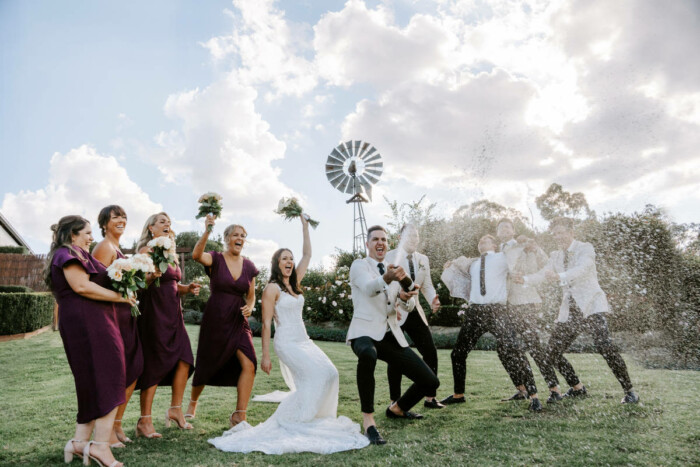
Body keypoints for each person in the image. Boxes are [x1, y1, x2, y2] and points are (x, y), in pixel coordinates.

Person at [209, 214, 370, 454]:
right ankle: (294, 419)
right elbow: (265, 325)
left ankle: (312, 416)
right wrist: (266, 356)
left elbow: (307, 255)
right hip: (287, 343)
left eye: (291, 259)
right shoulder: (272, 288)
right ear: (277, 263)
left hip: (304, 340)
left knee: (330, 373)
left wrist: (305, 227)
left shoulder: (294, 284)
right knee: (315, 377)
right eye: (285, 258)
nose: (290, 261)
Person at [514, 217, 639, 404]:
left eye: (561, 232)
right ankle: (577, 387)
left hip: (591, 306)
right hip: (570, 310)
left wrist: (559, 276)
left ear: (572, 232)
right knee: (551, 353)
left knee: (605, 346)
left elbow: (582, 269)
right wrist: (525, 279)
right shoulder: (555, 255)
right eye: (555, 233)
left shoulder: (585, 248)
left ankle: (630, 391)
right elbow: (544, 274)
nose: (558, 237)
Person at [46, 215, 135, 467]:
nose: (91, 237)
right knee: (110, 376)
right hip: (88, 324)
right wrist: (120, 297)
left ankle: (79, 442)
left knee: (92, 379)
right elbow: (82, 287)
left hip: (91, 321)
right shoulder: (67, 254)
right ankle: (100, 446)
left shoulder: (81, 255)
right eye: (86, 233)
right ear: (72, 235)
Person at [348, 225, 440, 445]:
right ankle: (369, 422)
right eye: (375, 239)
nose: (380, 243)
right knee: (368, 355)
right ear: (367, 244)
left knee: (431, 382)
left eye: (384, 239)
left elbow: (404, 307)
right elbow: (370, 289)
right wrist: (388, 278)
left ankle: (397, 409)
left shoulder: (392, 268)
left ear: (387, 244)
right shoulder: (359, 265)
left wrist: (407, 297)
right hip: (364, 333)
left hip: (390, 334)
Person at [440, 234, 542, 412]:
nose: (481, 243)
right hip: (475, 311)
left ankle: (533, 396)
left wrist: (524, 243)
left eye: (485, 240)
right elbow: (457, 271)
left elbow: (517, 255)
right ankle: (458, 395)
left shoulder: (502, 257)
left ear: (495, 245)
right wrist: (449, 267)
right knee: (458, 353)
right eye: (479, 241)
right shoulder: (472, 263)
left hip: (497, 311)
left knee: (514, 350)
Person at [186, 217, 258, 428]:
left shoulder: (250, 266)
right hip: (216, 318)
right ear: (226, 238)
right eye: (235, 234)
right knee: (207, 362)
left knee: (250, 363)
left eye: (243, 236)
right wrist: (207, 230)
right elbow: (196, 255)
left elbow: (251, 295)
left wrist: (251, 307)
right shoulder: (216, 259)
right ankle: (192, 403)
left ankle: (240, 414)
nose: (240, 238)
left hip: (238, 320)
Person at [135, 212, 200, 438]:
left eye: (169, 222)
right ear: (151, 228)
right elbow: (137, 284)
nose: (167, 225)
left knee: (185, 359)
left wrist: (187, 288)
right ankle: (144, 420)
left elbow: (172, 284)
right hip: (153, 313)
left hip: (174, 314)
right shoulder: (146, 252)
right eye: (162, 222)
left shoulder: (170, 254)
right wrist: (152, 276)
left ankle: (175, 409)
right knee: (155, 362)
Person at [495, 218, 563, 403]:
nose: (504, 229)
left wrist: (536, 248)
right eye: (500, 227)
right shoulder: (495, 252)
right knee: (504, 348)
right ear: (497, 232)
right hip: (504, 305)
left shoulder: (523, 245)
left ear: (513, 230)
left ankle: (554, 389)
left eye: (507, 226)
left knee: (534, 346)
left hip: (524, 302)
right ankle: (522, 389)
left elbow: (544, 262)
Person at [92, 205, 144, 446]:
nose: (121, 220)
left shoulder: (117, 248)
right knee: (119, 373)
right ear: (104, 223)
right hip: (113, 316)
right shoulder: (103, 247)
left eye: (124, 216)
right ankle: (107, 430)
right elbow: (95, 283)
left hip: (126, 315)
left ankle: (117, 423)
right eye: (116, 217)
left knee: (134, 367)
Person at [385, 224, 444, 409]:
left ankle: (430, 398)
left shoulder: (423, 259)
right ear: (400, 237)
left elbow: (426, 285)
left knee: (430, 352)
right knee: (396, 356)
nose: (413, 239)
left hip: (414, 311)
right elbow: (385, 285)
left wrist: (433, 299)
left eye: (416, 236)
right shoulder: (389, 256)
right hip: (396, 312)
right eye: (409, 236)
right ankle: (395, 400)